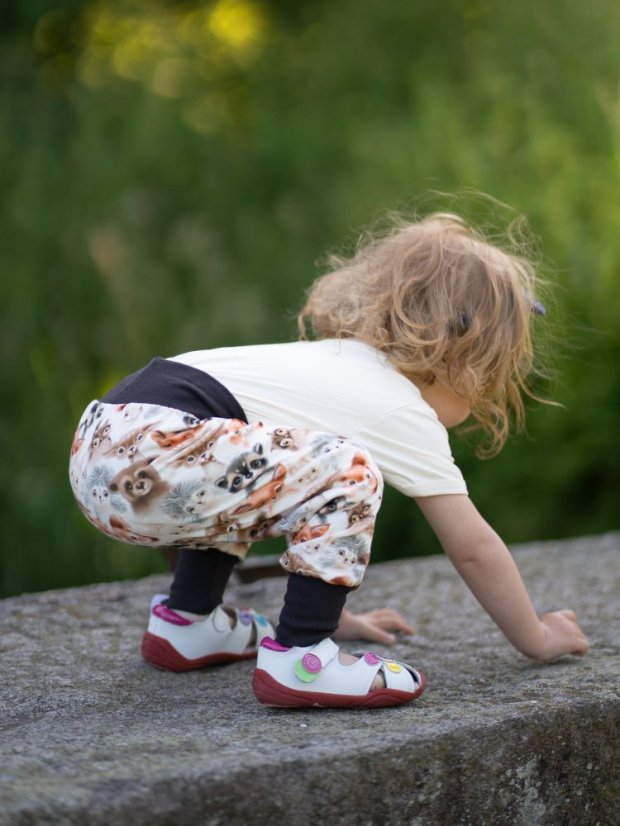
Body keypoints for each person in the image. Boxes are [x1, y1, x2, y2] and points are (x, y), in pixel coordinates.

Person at [69, 211, 589, 709]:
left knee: (251, 469)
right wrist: (537, 637)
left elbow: (268, 493)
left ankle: (188, 623)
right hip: (157, 445)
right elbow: (473, 547)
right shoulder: (400, 405)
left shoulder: (335, 363)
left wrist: (329, 611)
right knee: (352, 470)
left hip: (105, 441)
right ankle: (301, 659)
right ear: (464, 354)